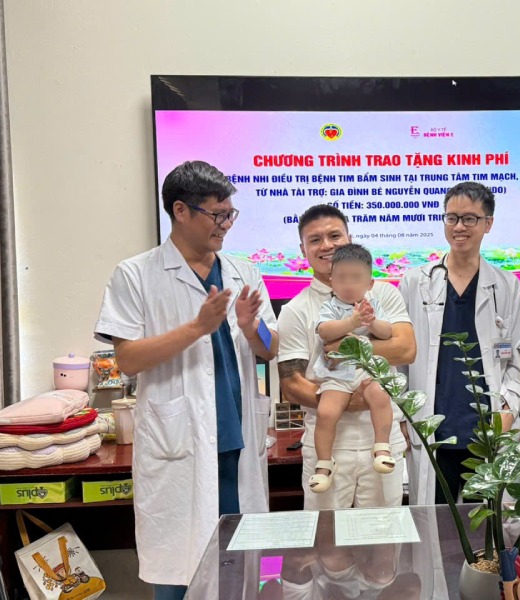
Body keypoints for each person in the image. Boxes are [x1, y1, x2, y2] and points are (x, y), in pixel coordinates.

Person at [94, 160, 278, 598]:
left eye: (231, 214)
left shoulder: (243, 271)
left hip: (236, 439)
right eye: (218, 214)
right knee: (178, 575)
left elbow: (270, 347)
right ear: (180, 210)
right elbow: (127, 360)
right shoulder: (135, 274)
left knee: (246, 570)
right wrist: (197, 328)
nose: (226, 225)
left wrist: (254, 330)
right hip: (177, 442)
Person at [277, 204, 415, 510]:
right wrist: (350, 400)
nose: (326, 245)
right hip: (329, 444)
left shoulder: (383, 294)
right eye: (315, 240)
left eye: (334, 235)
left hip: (382, 441)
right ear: (303, 250)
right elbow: (292, 384)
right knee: (327, 546)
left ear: (348, 238)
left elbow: (406, 349)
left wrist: (342, 348)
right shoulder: (295, 309)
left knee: (383, 541)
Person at [399, 181, 520, 505]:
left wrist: (508, 409)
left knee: (486, 535)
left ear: (488, 223)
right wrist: (401, 415)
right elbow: (398, 359)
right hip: (433, 430)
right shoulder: (416, 282)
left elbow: (518, 361)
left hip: (487, 433)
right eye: (451, 217)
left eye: (470, 218)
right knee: (433, 533)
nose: (459, 227)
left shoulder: (507, 287)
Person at [310, 243, 397, 493]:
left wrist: (372, 321)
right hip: (337, 374)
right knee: (326, 412)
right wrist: (352, 321)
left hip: (366, 371)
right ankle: (325, 464)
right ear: (331, 281)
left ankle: (381, 447)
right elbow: (325, 332)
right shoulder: (330, 307)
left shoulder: (373, 304)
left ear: (369, 283)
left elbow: (387, 331)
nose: (348, 284)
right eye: (342, 278)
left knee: (381, 395)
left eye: (356, 278)